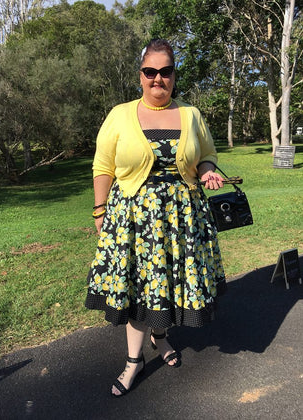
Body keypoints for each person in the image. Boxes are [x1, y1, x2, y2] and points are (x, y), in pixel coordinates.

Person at [85, 39, 226, 397]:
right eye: (150, 72)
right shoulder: (120, 114)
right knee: (137, 290)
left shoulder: (191, 115)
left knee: (169, 288)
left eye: (165, 72)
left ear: (174, 75)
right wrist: (100, 211)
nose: (157, 79)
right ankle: (134, 361)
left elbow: (206, 154)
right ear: (141, 76)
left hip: (181, 220)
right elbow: (103, 166)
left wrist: (208, 170)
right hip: (133, 220)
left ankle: (159, 339)